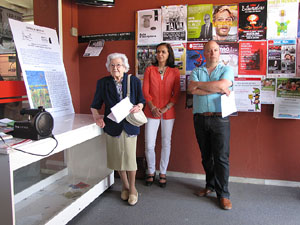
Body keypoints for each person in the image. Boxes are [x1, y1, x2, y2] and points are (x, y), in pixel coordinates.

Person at [90, 53, 145, 206]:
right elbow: (95, 105)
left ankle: (133, 188)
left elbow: (141, 100)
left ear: (124, 66)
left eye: (118, 65)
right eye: (112, 65)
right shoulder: (103, 83)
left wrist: (139, 106)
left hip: (130, 124)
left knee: (129, 158)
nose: (115, 68)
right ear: (109, 67)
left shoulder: (133, 81)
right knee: (118, 158)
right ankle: (125, 186)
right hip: (112, 125)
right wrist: (97, 117)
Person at [187, 40, 234, 210]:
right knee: (206, 156)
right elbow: (191, 89)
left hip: (219, 119)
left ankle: (224, 194)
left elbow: (223, 85)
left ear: (219, 52)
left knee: (221, 157)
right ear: (204, 53)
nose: (212, 53)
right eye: (209, 50)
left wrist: (203, 87)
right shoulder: (196, 71)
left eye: (215, 50)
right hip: (199, 118)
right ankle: (210, 185)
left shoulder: (227, 69)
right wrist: (215, 88)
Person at [142, 43, 180, 188]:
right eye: (158, 52)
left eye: (163, 52)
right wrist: (152, 107)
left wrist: (165, 108)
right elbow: (145, 91)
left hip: (168, 112)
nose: (160, 54)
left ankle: (163, 172)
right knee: (149, 144)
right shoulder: (149, 70)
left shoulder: (175, 71)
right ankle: (151, 171)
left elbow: (176, 94)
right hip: (151, 111)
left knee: (166, 143)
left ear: (169, 54)